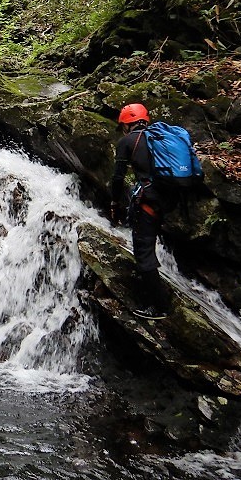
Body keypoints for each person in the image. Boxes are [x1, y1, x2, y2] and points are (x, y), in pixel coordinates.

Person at [110, 103, 170, 320]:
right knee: (149, 246)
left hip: (148, 203)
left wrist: (114, 203)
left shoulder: (127, 141)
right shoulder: (159, 138)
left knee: (144, 253)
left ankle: (159, 307)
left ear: (127, 124)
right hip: (167, 201)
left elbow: (117, 178)